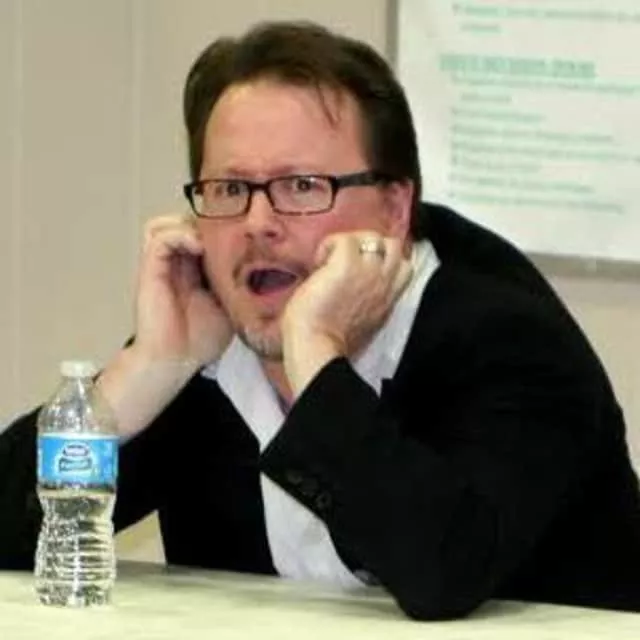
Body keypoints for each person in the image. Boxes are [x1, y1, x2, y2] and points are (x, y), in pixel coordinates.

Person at [1, 20, 640, 620]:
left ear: (395, 209)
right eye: (230, 189)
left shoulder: (511, 343)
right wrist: (144, 371)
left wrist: (315, 355)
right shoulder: (205, 344)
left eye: (302, 186)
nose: (258, 223)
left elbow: (443, 571)